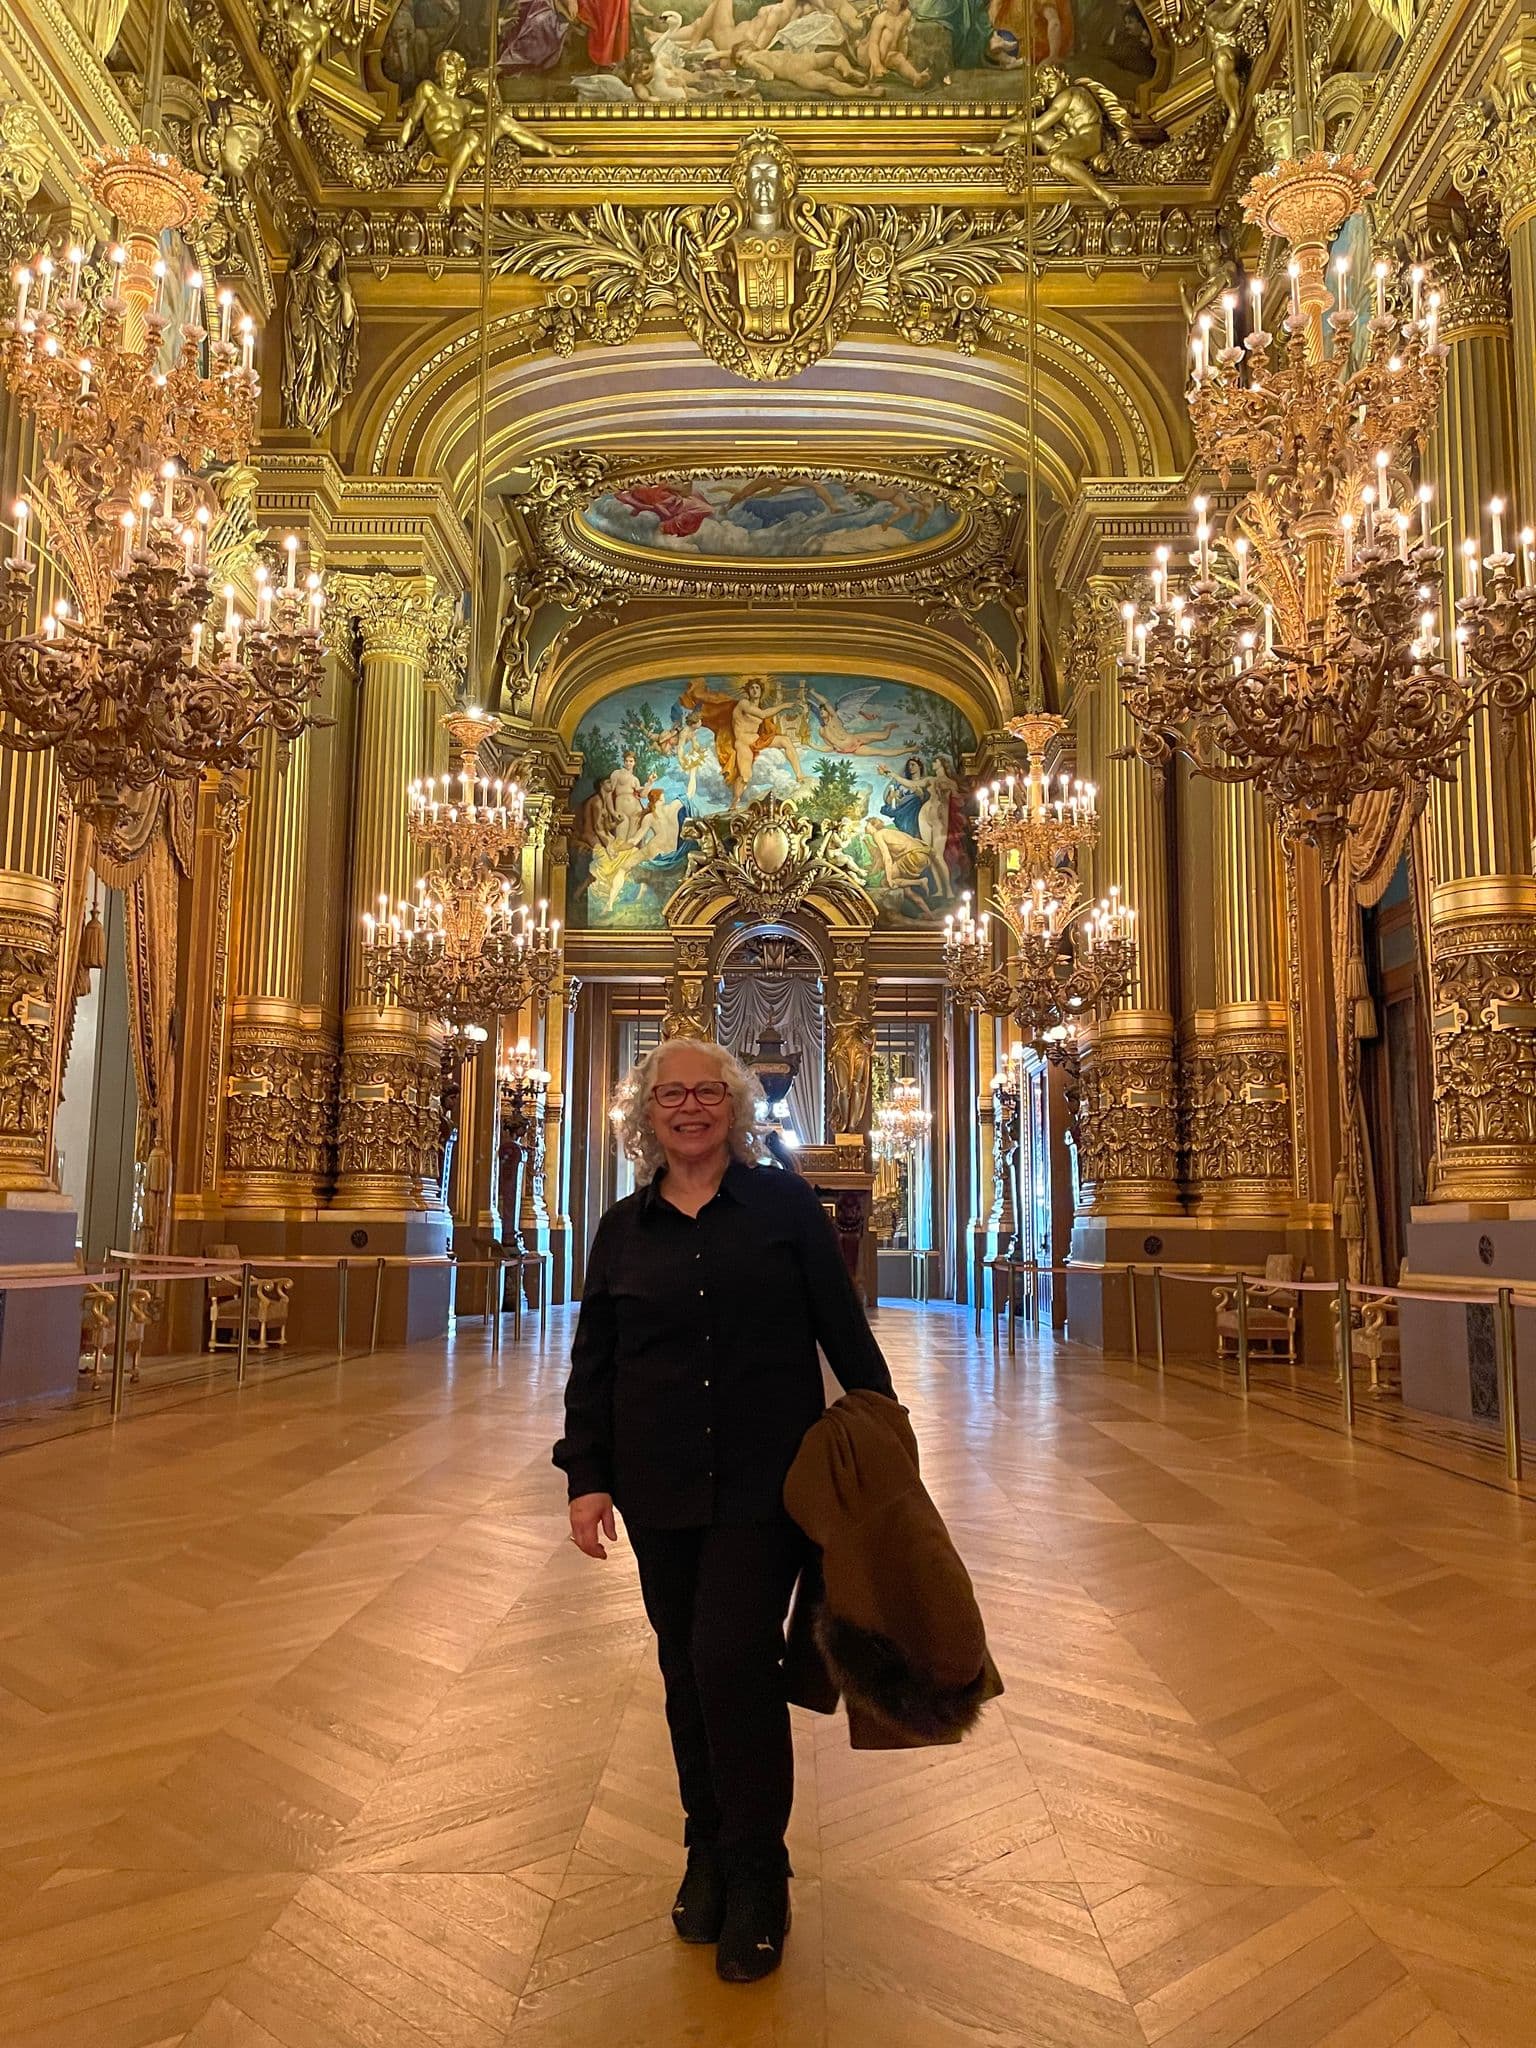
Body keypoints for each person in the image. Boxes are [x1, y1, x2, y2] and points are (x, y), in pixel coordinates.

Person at [554, 1039, 894, 1982]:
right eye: (673, 1094)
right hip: (656, 1483)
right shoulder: (623, 1229)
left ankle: (760, 1871)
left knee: (729, 1658)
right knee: (682, 1667)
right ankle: (706, 1849)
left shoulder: (784, 1206)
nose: (691, 1108)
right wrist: (586, 1477)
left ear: (735, 1107)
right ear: (647, 1112)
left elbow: (844, 1330)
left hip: (763, 1483)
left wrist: (886, 1442)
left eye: (708, 1092)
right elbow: (596, 1362)